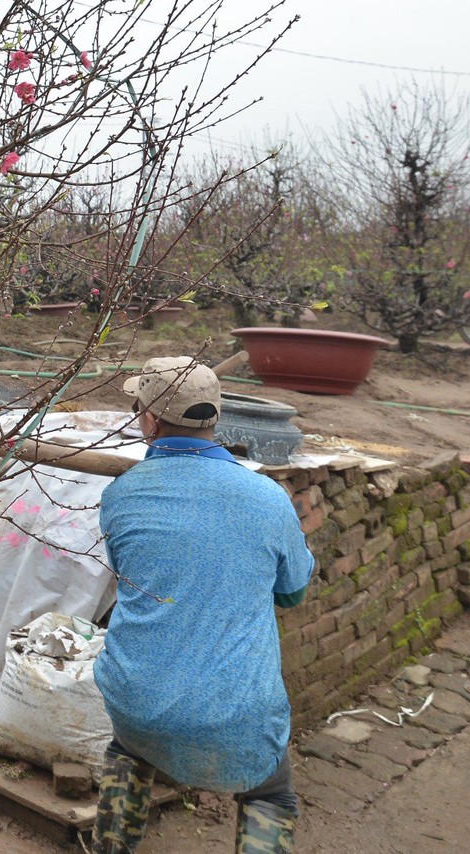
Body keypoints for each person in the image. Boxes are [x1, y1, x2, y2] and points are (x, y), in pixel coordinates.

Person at [90, 357, 316, 854]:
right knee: (271, 794)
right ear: (215, 417)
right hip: (235, 710)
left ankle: (111, 845)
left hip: (138, 700)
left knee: (128, 752)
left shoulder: (121, 495)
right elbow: (293, 592)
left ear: (148, 420)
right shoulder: (267, 497)